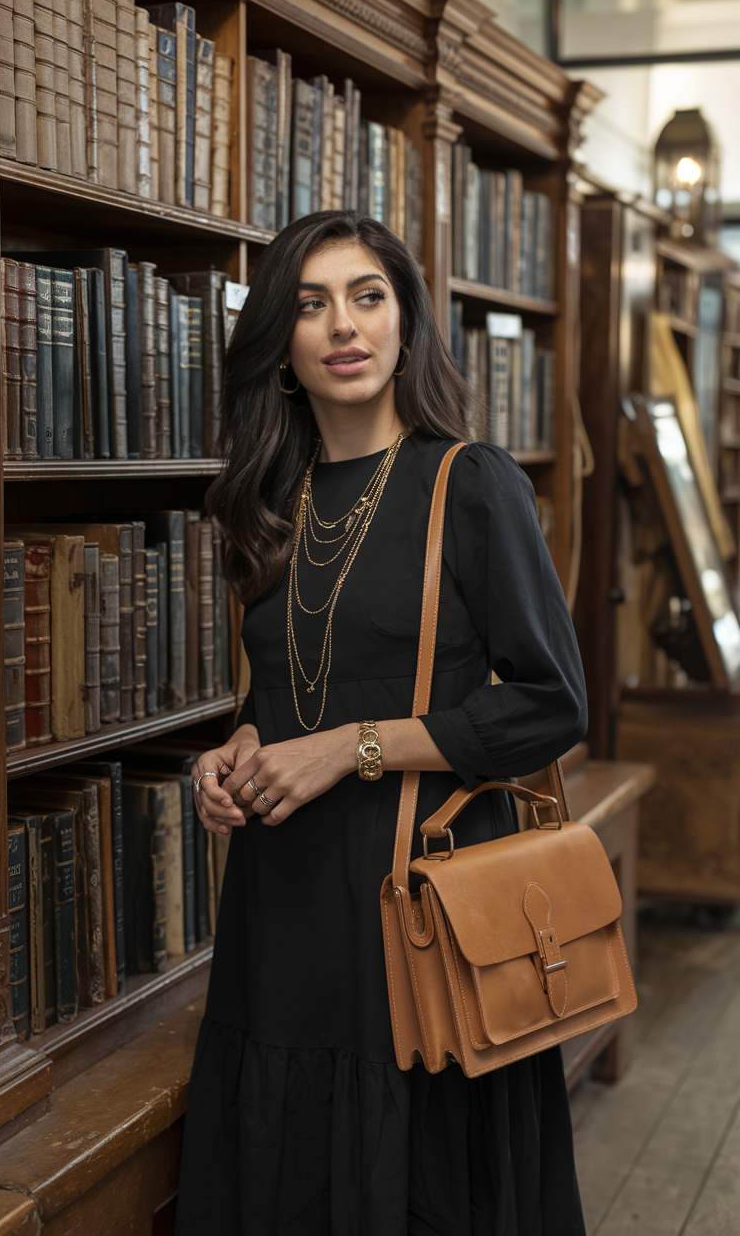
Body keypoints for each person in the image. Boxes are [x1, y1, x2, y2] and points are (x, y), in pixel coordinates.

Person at [174, 210, 588, 1236]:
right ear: (281, 343)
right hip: (281, 900)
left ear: (405, 324)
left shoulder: (469, 480)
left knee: (408, 1179)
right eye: (310, 304)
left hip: (412, 890)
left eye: (366, 296)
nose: (341, 326)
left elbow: (550, 702)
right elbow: (287, 683)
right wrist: (234, 745)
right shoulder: (264, 496)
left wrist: (348, 746)